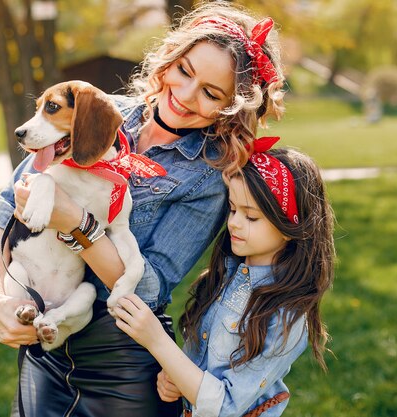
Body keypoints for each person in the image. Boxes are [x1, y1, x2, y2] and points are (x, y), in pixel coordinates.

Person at [0, 2, 286, 416]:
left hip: (122, 362)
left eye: (212, 94)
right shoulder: (102, 111)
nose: (186, 95)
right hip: (45, 347)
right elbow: (4, 207)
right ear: (171, 59)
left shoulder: (209, 176)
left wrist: (77, 224)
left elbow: (150, 286)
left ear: (232, 107)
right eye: (185, 72)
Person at [114, 144, 335, 417]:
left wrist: (157, 341)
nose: (234, 223)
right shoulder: (226, 275)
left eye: (251, 216)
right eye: (232, 210)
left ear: (289, 225)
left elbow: (225, 407)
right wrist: (177, 379)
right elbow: (204, 366)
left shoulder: (286, 315)